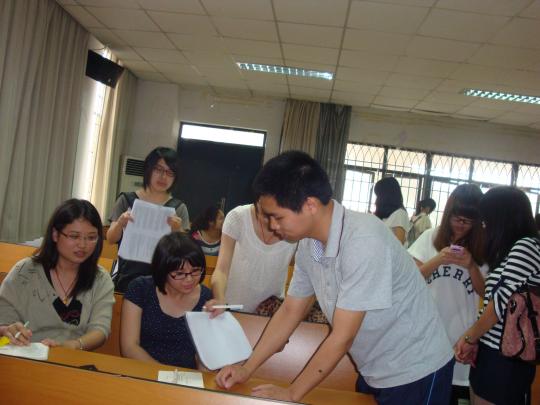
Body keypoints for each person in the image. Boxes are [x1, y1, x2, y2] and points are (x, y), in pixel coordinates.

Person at [215, 151, 453, 404]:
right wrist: (246, 368)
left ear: (310, 205)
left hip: (417, 369)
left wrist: (292, 393)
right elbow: (291, 311)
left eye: (278, 217)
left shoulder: (363, 239)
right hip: (376, 369)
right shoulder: (308, 244)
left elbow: (343, 336)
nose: (272, 226)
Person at [455, 186, 540, 405]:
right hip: (491, 351)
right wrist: (477, 340)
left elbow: (499, 303)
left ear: (502, 217)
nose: (483, 225)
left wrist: (470, 337)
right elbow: (492, 301)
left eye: (486, 219)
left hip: (507, 358)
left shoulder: (526, 246)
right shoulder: (508, 251)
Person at [0, 199, 114, 351]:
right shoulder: (25, 272)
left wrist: (75, 345)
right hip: (27, 354)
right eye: (74, 236)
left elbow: (100, 330)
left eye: (91, 237)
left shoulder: (100, 279)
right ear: (55, 234)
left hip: (73, 358)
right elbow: (3, 320)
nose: (83, 245)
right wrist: (7, 330)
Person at [408, 185, 486, 401]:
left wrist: (471, 266)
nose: (461, 225)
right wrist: (438, 259)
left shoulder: (483, 245)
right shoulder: (430, 237)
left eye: (468, 221)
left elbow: (486, 293)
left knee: (454, 393)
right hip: (426, 334)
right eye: (456, 218)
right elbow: (410, 280)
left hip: (462, 336)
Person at [120, 232, 212, 369]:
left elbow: (206, 355)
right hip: (144, 371)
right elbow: (129, 347)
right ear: (162, 270)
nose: (189, 279)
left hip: (188, 377)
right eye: (179, 273)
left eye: (195, 271)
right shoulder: (140, 289)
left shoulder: (207, 299)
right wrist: (163, 374)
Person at [107, 147, 189, 293]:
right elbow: (110, 239)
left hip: (163, 281)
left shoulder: (179, 207)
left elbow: (185, 251)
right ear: (148, 169)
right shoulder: (126, 199)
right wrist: (120, 223)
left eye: (170, 172)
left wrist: (178, 231)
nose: (163, 176)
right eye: (158, 169)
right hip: (127, 276)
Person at [205, 203, 296, 314]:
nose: (273, 224)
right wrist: (219, 298)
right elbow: (221, 269)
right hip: (231, 307)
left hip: (270, 311)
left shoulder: (298, 226)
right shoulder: (238, 217)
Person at [373, 176, 410, 245]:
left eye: (378, 195)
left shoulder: (400, 214)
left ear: (386, 195)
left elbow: (398, 245)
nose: (377, 199)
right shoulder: (386, 215)